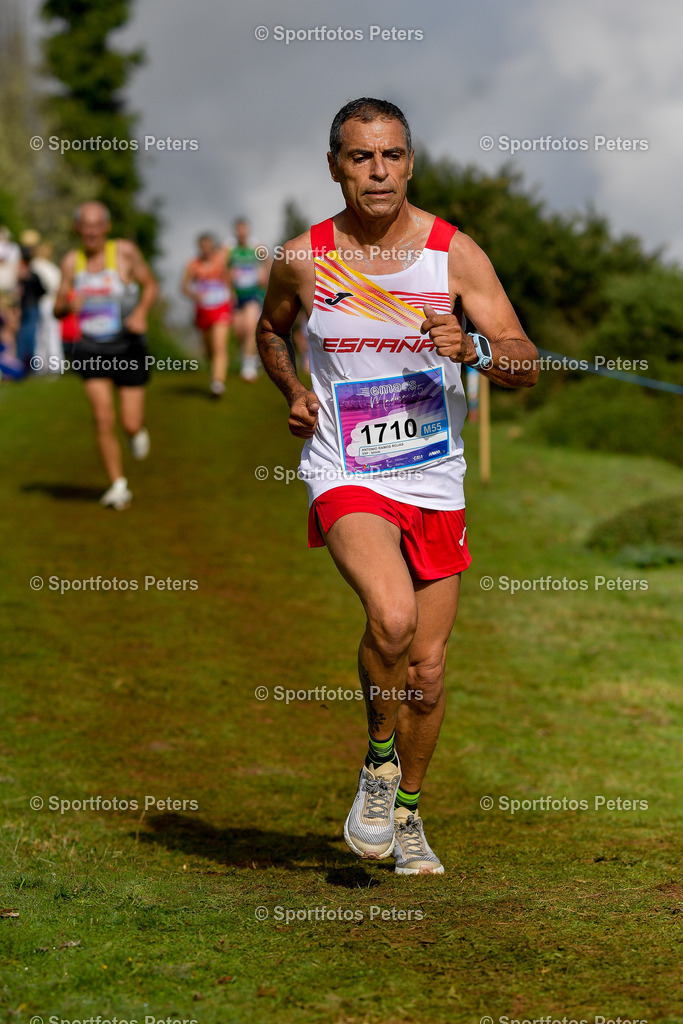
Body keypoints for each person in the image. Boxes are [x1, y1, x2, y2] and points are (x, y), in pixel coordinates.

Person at [257, 98, 538, 875]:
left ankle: (406, 811)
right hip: (345, 465)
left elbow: (524, 360)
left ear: (409, 163)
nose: (376, 172)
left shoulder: (453, 254)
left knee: (426, 668)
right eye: (359, 157)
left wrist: (475, 346)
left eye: (390, 156)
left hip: (431, 473)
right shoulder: (303, 256)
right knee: (390, 617)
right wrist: (292, 390)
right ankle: (377, 766)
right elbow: (271, 328)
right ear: (334, 165)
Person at [54, 201, 158, 510]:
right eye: (85, 225)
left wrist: (140, 312)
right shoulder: (72, 262)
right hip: (90, 349)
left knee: (128, 422)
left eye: (97, 224)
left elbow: (150, 285)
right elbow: (57, 307)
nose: (91, 231)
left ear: (106, 227)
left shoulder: (123, 252)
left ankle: (135, 431)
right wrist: (66, 307)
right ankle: (118, 485)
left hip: (127, 346)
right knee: (102, 417)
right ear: (78, 229)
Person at [181, 233, 231, 397]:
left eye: (209, 247)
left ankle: (218, 382)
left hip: (221, 307)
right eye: (203, 247)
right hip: (203, 310)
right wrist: (195, 296)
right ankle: (214, 371)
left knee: (219, 345)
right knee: (209, 349)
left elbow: (228, 281)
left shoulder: (220, 261)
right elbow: (184, 287)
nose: (206, 250)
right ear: (199, 248)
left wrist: (232, 298)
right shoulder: (193, 265)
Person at [229, 218, 267, 381]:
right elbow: (221, 266)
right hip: (236, 296)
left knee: (250, 326)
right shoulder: (229, 248)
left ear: (248, 230)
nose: (242, 233)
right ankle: (249, 353)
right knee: (238, 331)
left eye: (244, 229)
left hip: (253, 294)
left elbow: (268, 261)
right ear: (235, 231)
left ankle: (249, 365)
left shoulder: (256, 246)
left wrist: (264, 274)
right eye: (239, 230)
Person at [32, 241, 63, 375]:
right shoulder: (48, 267)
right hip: (48, 301)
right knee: (47, 334)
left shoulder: (39, 265)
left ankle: (48, 366)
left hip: (46, 301)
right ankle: (46, 366)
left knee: (45, 335)